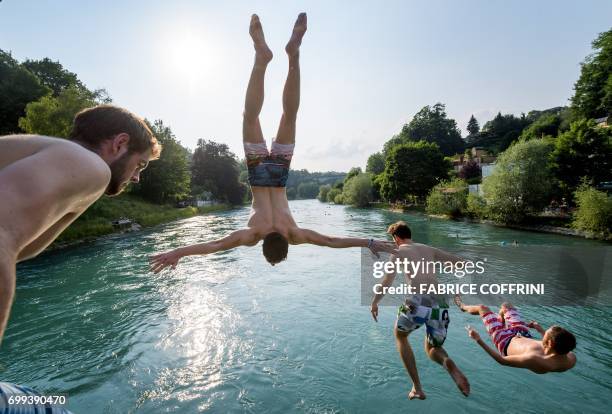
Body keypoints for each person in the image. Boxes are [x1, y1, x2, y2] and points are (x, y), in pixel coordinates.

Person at [150, 14, 393, 272]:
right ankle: (261, 60)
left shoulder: (294, 233)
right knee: (250, 116)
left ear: (286, 245)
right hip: (257, 173)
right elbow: (214, 245)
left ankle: (294, 55)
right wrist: (178, 252)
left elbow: (332, 240)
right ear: (264, 246)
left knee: (289, 116)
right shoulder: (252, 234)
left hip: (279, 174)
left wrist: (369, 241)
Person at [0, 105, 161, 411]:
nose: (137, 178)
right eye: (140, 165)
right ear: (120, 143)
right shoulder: (89, 166)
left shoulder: (47, 155)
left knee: (47, 402)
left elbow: (21, 248)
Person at [370, 221, 470, 400]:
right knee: (433, 348)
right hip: (441, 303)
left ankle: (417, 387)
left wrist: (375, 302)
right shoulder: (428, 248)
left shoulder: (398, 251)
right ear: (409, 235)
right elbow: (462, 264)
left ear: (397, 238)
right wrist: (451, 270)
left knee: (400, 336)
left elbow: (387, 281)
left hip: (418, 301)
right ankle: (448, 363)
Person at [454, 296, 577, 373]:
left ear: (550, 343)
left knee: (482, 308)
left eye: (545, 336)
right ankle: (501, 320)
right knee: (506, 306)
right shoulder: (569, 355)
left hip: (504, 339)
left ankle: (462, 307)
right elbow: (557, 341)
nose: (543, 336)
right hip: (523, 333)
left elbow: (502, 360)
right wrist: (540, 330)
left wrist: (478, 339)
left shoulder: (536, 360)